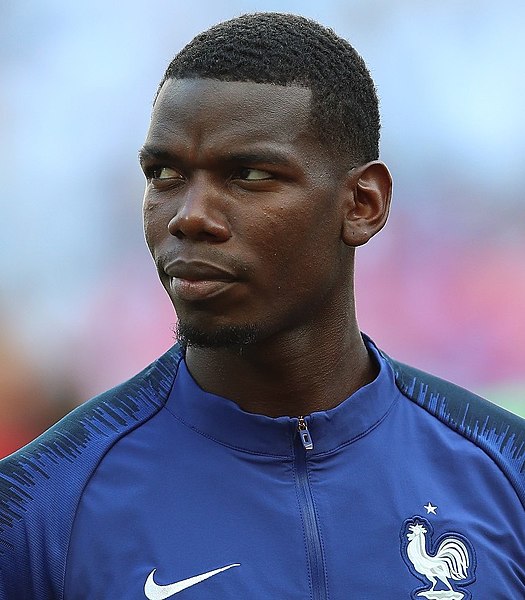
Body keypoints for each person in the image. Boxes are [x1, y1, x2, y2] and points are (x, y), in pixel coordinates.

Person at [1, 12, 524, 599]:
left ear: (363, 204)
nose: (189, 217)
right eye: (165, 174)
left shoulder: (508, 472)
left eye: (248, 174)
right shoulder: (36, 511)